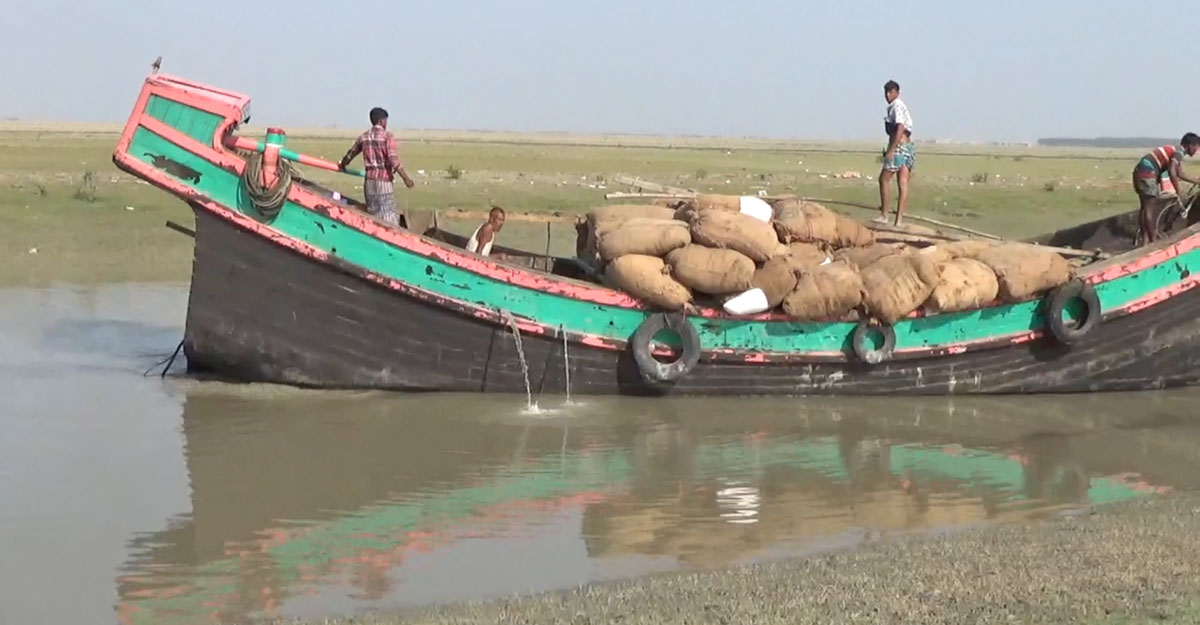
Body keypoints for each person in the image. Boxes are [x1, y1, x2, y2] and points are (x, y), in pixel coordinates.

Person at [338, 107, 415, 227]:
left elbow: (350, 154)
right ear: (381, 121)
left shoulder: (364, 137)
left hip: (369, 182)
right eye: (386, 120)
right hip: (384, 182)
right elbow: (393, 160)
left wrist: (343, 164)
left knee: (373, 213)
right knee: (388, 214)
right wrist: (406, 179)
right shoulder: (387, 137)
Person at [1133, 133, 1200, 244]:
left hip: (1140, 172)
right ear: (1190, 145)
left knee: (1145, 208)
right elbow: (1172, 171)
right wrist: (1178, 191)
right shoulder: (1178, 152)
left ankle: (1145, 241)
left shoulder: (1176, 152)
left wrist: (1197, 181)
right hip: (1148, 173)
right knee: (1149, 209)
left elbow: (1180, 174)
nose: (1197, 150)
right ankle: (1153, 241)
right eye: (1197, 147)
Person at [877, 79, 915, 226]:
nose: (888, 95)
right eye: (886, 92)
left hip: (899, 147)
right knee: (903, 183)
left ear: (897, 93)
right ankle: (898, 220)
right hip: (908, 147)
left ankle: (884, 215)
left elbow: (900, 127)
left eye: (890, 92)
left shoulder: (896, 105)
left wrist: (891, 149)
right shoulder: (901, 106)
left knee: (884, 179)